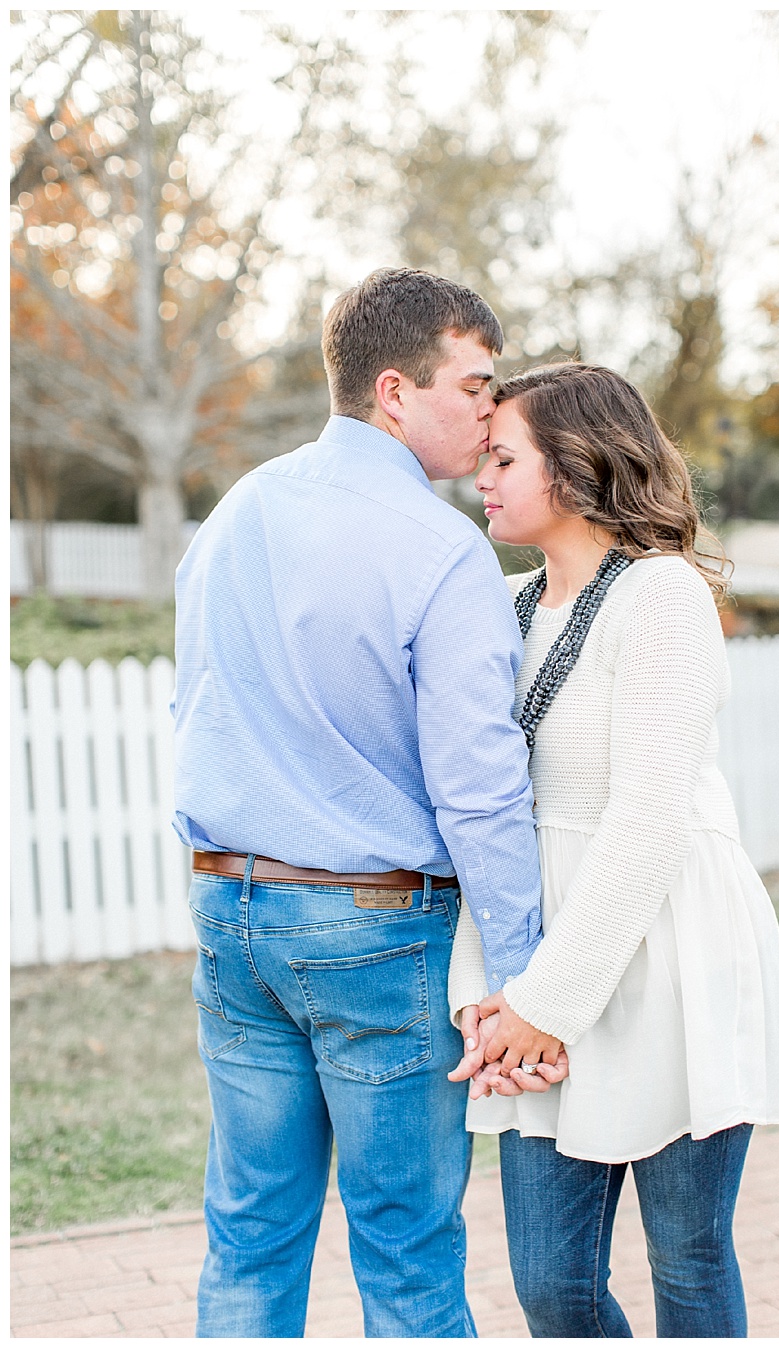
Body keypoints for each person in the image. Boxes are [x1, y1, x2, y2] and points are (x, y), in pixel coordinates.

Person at [172, 267, 558, 1336]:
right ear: (394, 391)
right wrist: (525, 978)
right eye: (474, 386)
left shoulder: (237, 510)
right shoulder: (443, 552)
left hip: (229, 913)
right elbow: (481, 789)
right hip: (375, 932)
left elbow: (190, 700)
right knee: (407, 1252)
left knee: (248, 1234)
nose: (489, 412)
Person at [445, 363, 779, 1338]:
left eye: (504, 456)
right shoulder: (505, 608)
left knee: (687, 1258)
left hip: (669, 954)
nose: (483, 475)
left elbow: (648, 817)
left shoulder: (661, 597)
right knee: (551, 1285)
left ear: (575, 461)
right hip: (535, 976)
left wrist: (548, 1003)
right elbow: (483, 814)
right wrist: (497, 996)